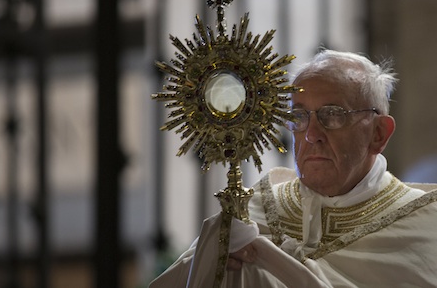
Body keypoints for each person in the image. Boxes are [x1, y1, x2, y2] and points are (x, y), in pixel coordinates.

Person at [149, 49, 437, 287]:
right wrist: (211, 263)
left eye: (333, 115)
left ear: (379, 134)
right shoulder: (249, 213)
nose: (312, 135)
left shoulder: (425, 226)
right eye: (299, 116)